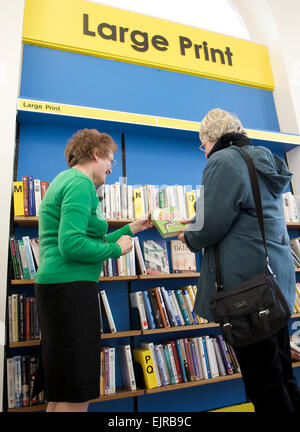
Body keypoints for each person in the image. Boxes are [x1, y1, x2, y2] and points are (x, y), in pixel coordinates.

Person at [178, 108, 300, 412]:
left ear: (211, 138)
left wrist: (189, 236)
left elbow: (211, 223)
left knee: (264, 384)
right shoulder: (262, 158)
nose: (203, 152)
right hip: (273, 285)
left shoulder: (223, 160)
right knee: (282, 373)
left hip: (246, 293)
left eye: (202, 145)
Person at [34, 128, 152, 412]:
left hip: (59, 289)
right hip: (70, 289)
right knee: (76, 390)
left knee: (63, 386)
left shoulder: (65, 180)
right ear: (96, 154)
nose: (112, 168)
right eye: (111, 160)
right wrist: (117, 250)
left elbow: (86, 240)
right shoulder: (81, 183)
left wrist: (130, 230)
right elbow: (72, 245)